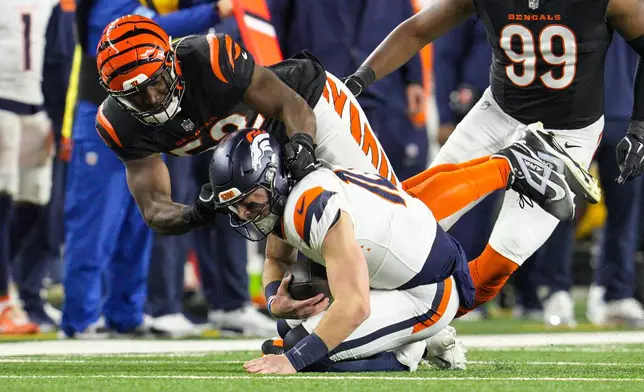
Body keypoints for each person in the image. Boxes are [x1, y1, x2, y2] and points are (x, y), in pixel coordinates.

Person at [341, 0, 644, 316]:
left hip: (568, 133)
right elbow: (417, 31)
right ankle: (371, 305)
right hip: (499, 114)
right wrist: (361, 78)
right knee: (415, 220)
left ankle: (415, 317)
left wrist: (640, 128)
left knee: (499, 262)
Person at [208, 127, 580, 374]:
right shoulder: (288, 197)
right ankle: (404, 335)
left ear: (274, 178)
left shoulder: (313, 206)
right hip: (396, 267)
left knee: (299, 352)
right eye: (236, 206)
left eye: (250, 201)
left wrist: (294, 361)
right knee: (285, 325)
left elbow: (354, 306)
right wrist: (276, 299)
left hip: (428, 290)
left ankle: (409, 351)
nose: (245, 214)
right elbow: (276, 259)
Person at [94, 14, 399, 237]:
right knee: (314, 257)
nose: (152, 98)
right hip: (263, 152)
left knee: (385, 208)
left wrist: (303, 143)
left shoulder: (209, 58)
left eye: (155, 82)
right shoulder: (119, 124)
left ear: (171, 61)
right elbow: (154, 210)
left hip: (309, 106)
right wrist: (196, 212)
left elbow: (288, 104)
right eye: (134, 96)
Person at [62, 0, 232, 338]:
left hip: (142, 121)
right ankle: (81, 317)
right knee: (96, 224)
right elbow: (148, 35)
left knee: (137, 223)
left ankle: (126, 313)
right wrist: (215, 11)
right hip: (103, 120)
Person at [0, 0, 60, 335]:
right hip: (2, 103)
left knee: (35, 205)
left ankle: (6, 288)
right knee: (2, 200)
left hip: (37, 109)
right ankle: (3, 303)